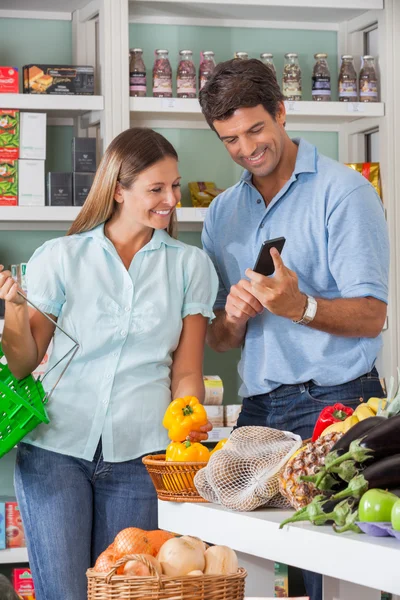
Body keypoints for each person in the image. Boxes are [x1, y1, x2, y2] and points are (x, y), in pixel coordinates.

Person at [199, 58, 389, 600]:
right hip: (258, 409)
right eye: (230, 138)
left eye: (256, 129)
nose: (246, 148)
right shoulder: (223, 212)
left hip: (338, 402)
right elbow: (220, 339)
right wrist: (232, 317)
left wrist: (299, 306)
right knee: (246, 569)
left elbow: (373, 314)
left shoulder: (344, 193)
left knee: (334, 571)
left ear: (282, 113)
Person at [0, 127, 218, 600]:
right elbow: (22, 363)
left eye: (175, 186)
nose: (171, 200)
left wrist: (188, 418)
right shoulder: (61, 257)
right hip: (55, 452)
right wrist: (14, 311)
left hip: (142, 458)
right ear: (118, 190)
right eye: (156, 189)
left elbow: (185, 370)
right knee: (64, 594)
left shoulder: (190, 266)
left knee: (127, 594)